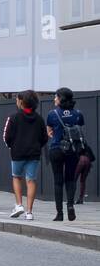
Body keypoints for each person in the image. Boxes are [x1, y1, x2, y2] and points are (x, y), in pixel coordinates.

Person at [4, 90, 47, 221]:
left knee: (16, 177)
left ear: (21, 102)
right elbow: (44, 138)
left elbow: (7, 136)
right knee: (31, 180)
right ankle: (29, 212)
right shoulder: (39, 119)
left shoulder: (13, 118)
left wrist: (12, 145)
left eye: (17, 99)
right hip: (34, 153)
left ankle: (18, 205)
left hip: (17, 152)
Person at [45, 86, 86, 222]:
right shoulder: (78, 114)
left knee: (58, 181)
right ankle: (70, 206)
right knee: (70, 179)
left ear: (61, 98)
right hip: (73, 150)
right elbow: (79, 128)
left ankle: (59, 214)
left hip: (57, 148)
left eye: (56, 96)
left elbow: (49, 131)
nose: (54, 98)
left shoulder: (52, 114)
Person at [76, 140, 94, 205]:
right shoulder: (87, 147)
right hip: (88, 162)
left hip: (80, 161)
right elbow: (93, 158)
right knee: (82, 181)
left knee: (73, 180)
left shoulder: (76, 145)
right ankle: (81, 199)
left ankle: (71, 199)